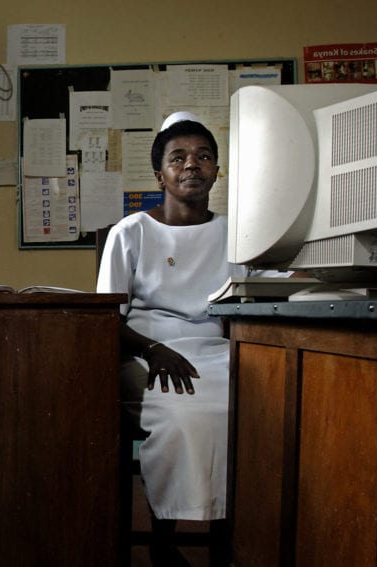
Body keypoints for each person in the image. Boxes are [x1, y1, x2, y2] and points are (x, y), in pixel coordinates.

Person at [96, 113, 269, 566]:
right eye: (179, 158)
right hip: (146, 353)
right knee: (183, 411)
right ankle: (163, 537)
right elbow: (105, 321)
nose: (192, 165)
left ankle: (226, 536)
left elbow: (258, 298)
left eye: (203, 156)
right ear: (161, 174)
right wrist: (153, 350)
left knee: (257, 408)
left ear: (217, 170)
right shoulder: (129, 233)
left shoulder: (237, 234)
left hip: (219, 353)